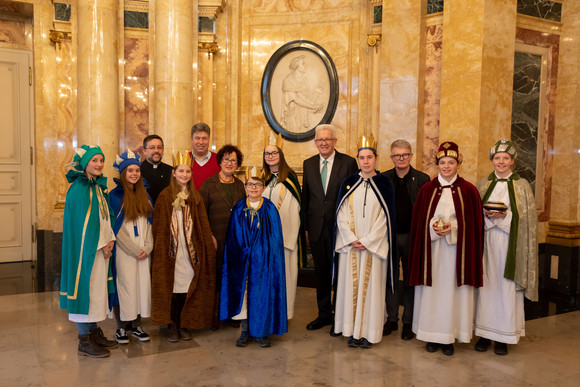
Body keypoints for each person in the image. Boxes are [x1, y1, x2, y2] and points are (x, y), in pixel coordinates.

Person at [408, 141, 484, 356]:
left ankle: (449, 336)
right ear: (437, 164)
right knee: (432, 292)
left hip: (456, 253)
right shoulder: (427, 189)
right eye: (443, 162)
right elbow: (418, 222)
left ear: (458, 164)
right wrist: (432, 227)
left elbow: (475, 223)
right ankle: (430, 335)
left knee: (452, 293)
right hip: (431, 252)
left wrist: (454, 228)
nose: (447, 166)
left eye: (451, 162)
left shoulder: (469, 190)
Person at [474, 139, 539, 355]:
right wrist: (488, 217)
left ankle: (502, 338)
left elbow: (527, 221)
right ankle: (484, 335)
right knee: (486, 287)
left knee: (506, 289)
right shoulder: (483, 184)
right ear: (492, 160)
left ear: (512, 161)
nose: (501, 162)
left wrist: (504, 216)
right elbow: (474, 215)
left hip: (511, 245)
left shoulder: (521, 186)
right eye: (497, 158)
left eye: (505, 158)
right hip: (487, 244)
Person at [333, 135, 396, 349]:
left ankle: (369, 332)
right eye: (362, 157)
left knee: (372, 291)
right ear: (357, 159)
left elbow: (386, 219)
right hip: (351, 248)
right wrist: (351, 239)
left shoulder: (384, 184)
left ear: (376, 159)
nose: (366, 161)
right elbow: (340, 215)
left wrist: (368, 241)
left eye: (370, 157)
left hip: (373, 249)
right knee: (350, 287)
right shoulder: (349, 183)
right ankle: (352, 331)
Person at [151, 151, 216, 342]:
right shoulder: (164, 196)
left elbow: (203, 223)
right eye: (181, 171)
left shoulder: (195, 196)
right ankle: (171, 324)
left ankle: (184, 323)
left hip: (190, 251)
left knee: (188, 285)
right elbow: (159, 225)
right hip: (172, 251)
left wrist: (207, 243)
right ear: (174, 173)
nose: (184, 175)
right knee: (172, 286)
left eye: (188, 171)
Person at [60, 144, 118, 358]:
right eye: (94, 160)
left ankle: (94, 332)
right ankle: (84, 339)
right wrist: (101, 243)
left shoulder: (95, 186)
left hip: (100, 249)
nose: (99, 164)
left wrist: (109, 239)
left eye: (101, 160)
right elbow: (81, 226)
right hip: (87, 251)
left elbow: (104, 217)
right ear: (85, 164)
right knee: (85, 289)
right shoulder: (79, 188)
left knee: (94, 292)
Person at [220, 172, 287, 348]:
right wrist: (243, 251)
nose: (254, 188)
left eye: (257, 185)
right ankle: (245, 330)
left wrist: (261, 252)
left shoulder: (270, 209)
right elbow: (233, 236)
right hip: (243, 261)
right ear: (245, 187)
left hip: (264, 262)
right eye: (250, 185)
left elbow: (275, 239)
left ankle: (261, 332)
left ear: (263, 188)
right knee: (244, 296)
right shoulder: (238, 208)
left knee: (262, 295)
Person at [302, 124, 358, 333]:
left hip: (341, 230)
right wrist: (307, 228)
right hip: (316, 229)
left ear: (335, 141)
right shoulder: (308, 164)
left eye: (328, 139)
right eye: (320, 140)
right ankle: (324, 314)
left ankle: (341, 317)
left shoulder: (349, 163)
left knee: (341, 273)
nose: (324, 143)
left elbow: (353, 196)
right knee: (321, 274)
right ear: (315, 143)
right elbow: (307, 199)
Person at [381, 140, 430, 340]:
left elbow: (427, 210)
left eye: (404, 155)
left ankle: (408, 321)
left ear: (411, 156)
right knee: (390, 279)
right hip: (389, 236)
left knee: (411, 280)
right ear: (391, 157)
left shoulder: (422, 179)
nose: (401, 159)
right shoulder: (383, 178)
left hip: (413, 237)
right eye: (396, 155)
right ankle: (391, 319)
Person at [199, 145, 246, 329]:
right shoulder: (209, 184)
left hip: (235, 240)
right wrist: (208, 235)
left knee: (233, 276)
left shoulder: (240, 185)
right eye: (226, 159)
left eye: (233, 160)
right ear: (219, 162)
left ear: (238, 164)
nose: (229, 163)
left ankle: (231, 313)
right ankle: (214, 315)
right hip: (215, 238)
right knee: (216, 277)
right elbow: (201, 212)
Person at [109, 151, 153, 344]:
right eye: (130, 170)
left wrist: (148, 247)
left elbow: (150, 224)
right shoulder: (115, 196)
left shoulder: (145, 194)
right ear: (123, 173)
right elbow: (116, 230)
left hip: (144, 251)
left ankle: (136, 325)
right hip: (125, 252)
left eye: (137, 170)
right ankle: (121, 328)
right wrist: (135, 250)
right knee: (125, 286)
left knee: (141, 285)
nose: (134, 174)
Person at [262, 135, 306, 320]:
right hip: (265, 240)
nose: (270, 156)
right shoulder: (264, 179)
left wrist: (282, 237)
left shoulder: (289, 178)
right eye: (267, 153)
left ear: (280, 155)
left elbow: (293, 208)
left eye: (274, 152)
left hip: (284, 239)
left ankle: (283, 315)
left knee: (285, 278)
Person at [280, 55, 325, 133]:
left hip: (303, 117)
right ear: (296, 66)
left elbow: (307, 98)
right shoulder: (288, 81)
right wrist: (313, 106)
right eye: (303, 63)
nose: (305, 65)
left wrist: (316, 93)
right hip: (293, 116)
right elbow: (296, 99)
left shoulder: (304, 81)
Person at [140, 134, 172, 205]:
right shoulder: (137, 171)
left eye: (159, 147)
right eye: (152, 148)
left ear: (163, 150)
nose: (156, 151)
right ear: (144, 151)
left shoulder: (171, 171)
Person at [189, 122, 221, 190]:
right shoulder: (183, 159)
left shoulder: (219, 160)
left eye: (204, 138)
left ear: (209, 139)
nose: (201, 142)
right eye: (197, 138)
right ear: (191, 139)